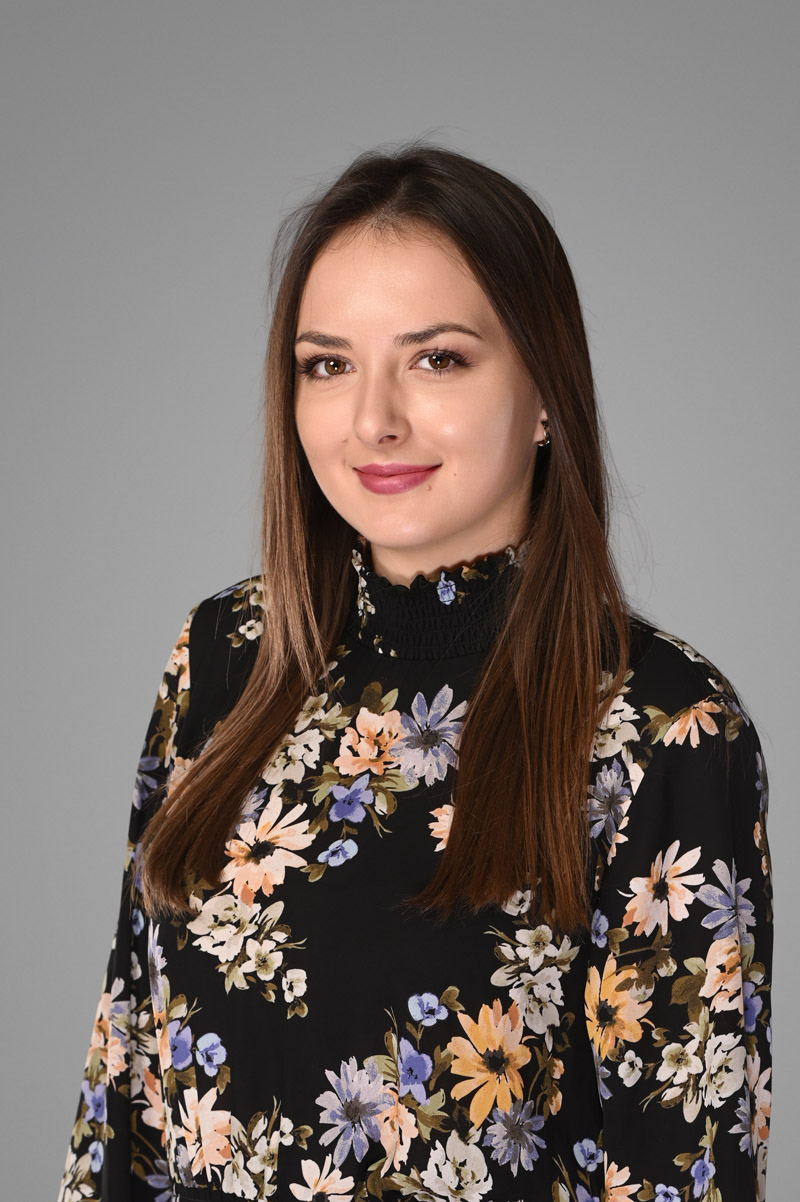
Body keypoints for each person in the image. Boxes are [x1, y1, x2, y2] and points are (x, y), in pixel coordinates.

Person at [57, 142, 773, 1202]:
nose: (372, 419)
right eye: (327, 364)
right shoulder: (222, 656)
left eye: (436, 359)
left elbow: (685, 1168)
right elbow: (123, 1094)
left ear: (545, 392)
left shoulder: (662, 725)